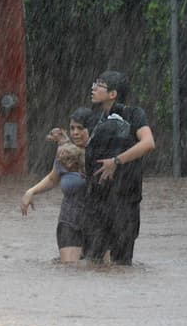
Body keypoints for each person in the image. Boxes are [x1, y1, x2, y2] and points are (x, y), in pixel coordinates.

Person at [83, 70, 155, 265]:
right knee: (93, 262)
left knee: (121, 263)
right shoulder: (95, 120)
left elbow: (148, 143)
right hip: (97, 201)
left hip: (124, 200)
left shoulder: (134, 114)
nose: (94, 88)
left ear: (113, 94)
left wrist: (116, 161)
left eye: (100, 85)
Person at [20, 108, 94, 263]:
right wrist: (31, 191)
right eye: (72, 128)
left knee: (98, 269)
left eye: (80, 128)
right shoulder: (64, 153)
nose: (75, 133)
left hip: (97, 221)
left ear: (91, 129)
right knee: (70, 270)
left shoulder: (99, 151)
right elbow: (53, 179)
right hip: (69, 219)